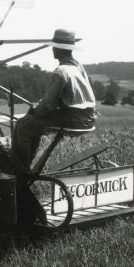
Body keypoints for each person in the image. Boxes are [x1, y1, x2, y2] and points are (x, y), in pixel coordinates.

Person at [11, 28, 96, 172]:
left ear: (60, 49)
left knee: (23, 124)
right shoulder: (77, 66)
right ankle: (26, 167)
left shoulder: (61, 71)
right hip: (88, 118)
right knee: (33, 124)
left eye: (54, 47)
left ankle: (19, 170)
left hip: (72, 119)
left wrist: (35, 109)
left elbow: (48, 105)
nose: (52, 50)